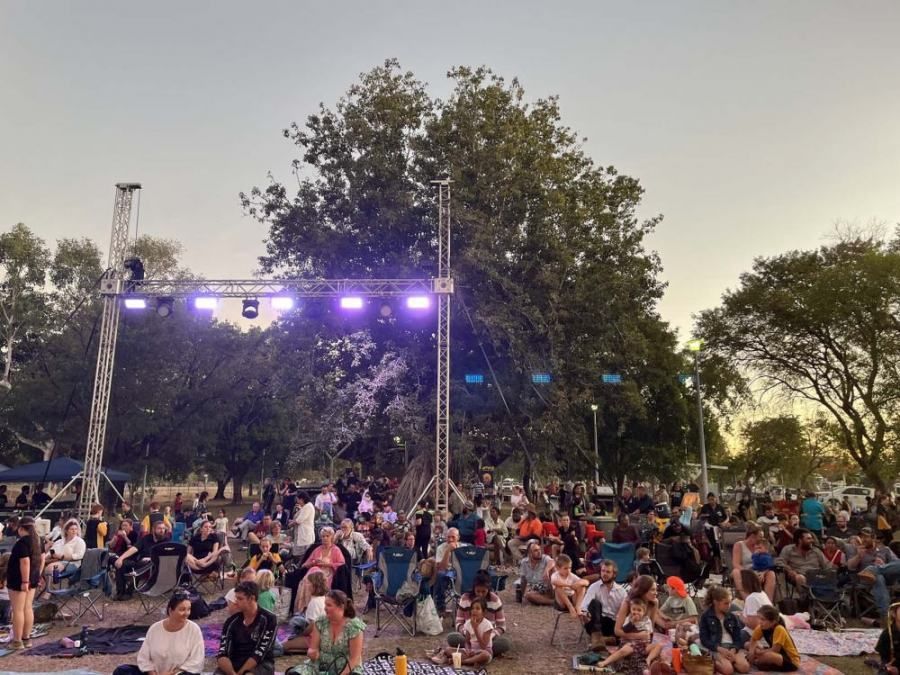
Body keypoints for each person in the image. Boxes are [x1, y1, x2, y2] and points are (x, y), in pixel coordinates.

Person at [113, 592, 205, 675]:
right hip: (155, 673)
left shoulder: (194, 630)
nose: (186, 613)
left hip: (179, 673)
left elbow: (196, 660)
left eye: (188, 609)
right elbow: (143, 657)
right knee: (122, 671)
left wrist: (174, 673)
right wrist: (151, 672)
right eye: (182, 609)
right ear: (170, 611)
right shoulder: (155, 629)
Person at [295, 590, 365, 675]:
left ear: (341, 607)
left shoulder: (354, 626)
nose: (325, 608)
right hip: (321, 665)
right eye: (325, 604)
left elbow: (355, 658)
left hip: (347, 667)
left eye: (329, 605)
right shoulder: (320, 621)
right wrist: (312, 652)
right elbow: (313, 649)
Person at [216, 581, 277, 675]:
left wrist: (241, 673)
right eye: (236, 598)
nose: (236, 602)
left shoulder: (269, 619)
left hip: (261, 663)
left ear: (252, 598)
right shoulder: (231, 622)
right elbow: (222, 653)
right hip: (235, 663)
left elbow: (260, 652)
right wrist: (232, 673)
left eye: (240, 599)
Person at [447, 570, 511, 657]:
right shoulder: (465, 598)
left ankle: (476, 652)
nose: (480, 594)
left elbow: (501, 626)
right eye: (478, 591)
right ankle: (478, 652)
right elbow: (459, 623)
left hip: (488, 638)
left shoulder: (495, 600)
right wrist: (468, 633)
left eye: (484, 592)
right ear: (474, 589)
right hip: (468, 637)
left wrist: (489, 636)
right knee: (452, 637)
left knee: (505, 643)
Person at [595, 598, 662, 670]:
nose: (636, 612)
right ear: (630, 609)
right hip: (630, 643)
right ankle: (605, 662)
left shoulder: (646, 620)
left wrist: (646, 637)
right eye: (634, 609)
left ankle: (648, 660)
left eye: (639, 610)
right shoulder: (629, 619)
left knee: (659, 646)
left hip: (642, 646)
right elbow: (624, 630)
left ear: (644, 612)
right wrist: (632, 623)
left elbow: (648, 634)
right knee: (623, 651)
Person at [7, 516, 41, 649]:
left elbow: (25, 561)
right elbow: (41, 559)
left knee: (18, 610)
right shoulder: (38, 541)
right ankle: (26, 638)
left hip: (20, 579)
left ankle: (17, 641)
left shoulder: (22, 543)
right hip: (32, 577)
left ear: (21, 529)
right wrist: (36, 575)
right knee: (27, 608)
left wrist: (24, 581)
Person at [699, 585, 750, 675]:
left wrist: (734, 649)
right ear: (716, 602)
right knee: (728, 670)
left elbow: (738, 637)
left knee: (745, 668)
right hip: (717, 647)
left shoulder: (732, 616)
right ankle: (715, 662)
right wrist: (719, 649)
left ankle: (730, 662)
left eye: (730, 603)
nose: (729, 606)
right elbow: (704, 639)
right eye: (726, 603)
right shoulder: (706, 616)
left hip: (731, 647)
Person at [114, 520, 170, 599]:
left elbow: (166, 555)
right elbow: (134, 548)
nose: (162, 531)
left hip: (155, 566)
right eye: (159, 528)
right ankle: (120, 592)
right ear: (153, 529)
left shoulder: (166, 540)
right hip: (140, 562)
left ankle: (129, 592)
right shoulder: (146, 538)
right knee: (121, 564)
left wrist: (152, 558)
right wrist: (121, 558)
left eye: (163, 529)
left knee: (141, 565)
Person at [580, 560, 628, 651]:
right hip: (596, 622)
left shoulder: (621, 591)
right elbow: (584, 606)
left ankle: (600, 641)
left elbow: (625, 613)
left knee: (624, 632)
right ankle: (598, 637)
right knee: (595, 603)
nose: (604, 574)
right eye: (603, 571)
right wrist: (585, 614)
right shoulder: (594, 587)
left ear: (614, 574)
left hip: (612, 624)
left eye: (608, 572)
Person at [435, 597, 493, 667]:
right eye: (472, 608)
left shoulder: (487, 625)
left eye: (477, 609)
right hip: (472, 651)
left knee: (485, 655)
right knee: (448, 650)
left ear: (484, 612)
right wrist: (468, 650)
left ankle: (463, 662)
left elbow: (484, 646)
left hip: (484, 651)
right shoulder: (468, 623)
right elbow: (467, 641)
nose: (474, 611)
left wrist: (476, 629)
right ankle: (472, 660)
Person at [747, 605, 800, 672]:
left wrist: (760, 652)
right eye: (759, 618)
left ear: (773, 622)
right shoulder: (761, 627)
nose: (760, 621)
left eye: (763, 619)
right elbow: (753, 639)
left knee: (767, 656)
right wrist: (751, 652)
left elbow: (775, 650)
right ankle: (758, 660)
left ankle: (758, 661)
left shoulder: (779, 629)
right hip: (776, 654)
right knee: (747, 644)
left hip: (790, 660)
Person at [732, 523, 776, 601]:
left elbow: (768, 562)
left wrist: (763, 572)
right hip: (744, 571)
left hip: (760, 571)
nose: (762, 539)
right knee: (735, 572)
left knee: (771, 574)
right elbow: (736, 564)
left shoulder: (761, 546)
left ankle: (767, 604)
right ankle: (748, 601)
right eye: (760, 537)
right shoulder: (739, 545)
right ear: (752, 536)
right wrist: (750, 574)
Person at [41, 518, 86, 592]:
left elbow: (79, 555)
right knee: (39, 566)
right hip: (55, 560)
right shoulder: (60, 541)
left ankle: (48, 591)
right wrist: (44, 558)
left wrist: (62, 557)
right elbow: (50, 552)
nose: (74, 531)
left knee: (50, 568)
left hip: (72, 563)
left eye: (76, 529)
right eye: (72, 529)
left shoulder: (80, 542)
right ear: (66, 530)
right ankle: (48, 588)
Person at [551, 553, 589, 618]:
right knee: (558, 588)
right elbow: (554, 582)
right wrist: (570, 585)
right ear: (557, 568)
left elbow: (586, 582)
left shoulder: (571, 575)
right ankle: (570, 608)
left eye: (570, 568)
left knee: (582, 587)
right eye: (565, 568)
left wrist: (578, 584)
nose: (568, 570)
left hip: (572, 599)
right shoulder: (555, 575)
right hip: (561, 602)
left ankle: (578, 606)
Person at [518, 539, 555, 606]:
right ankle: (552, 602)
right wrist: (523, 595)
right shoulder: (524, 562)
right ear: (529, 553)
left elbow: (552, 562)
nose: (539, 552)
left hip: (548, 587)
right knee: (528, 595)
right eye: (535, 550)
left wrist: (546, 570)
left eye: (539, 549)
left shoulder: (544, 558)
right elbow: (523, 580)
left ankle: (547, 600)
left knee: (553, 570)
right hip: (537, 588)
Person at [875, 602, 900, 675]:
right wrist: (888, 666)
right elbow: (884, 657)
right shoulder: (887, 634)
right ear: (894, 614)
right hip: (893, 664)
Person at [293, 491, 315, 558]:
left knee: (305, 555)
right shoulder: (305, 507)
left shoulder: (308, 506)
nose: (298, 502)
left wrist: (291, 524)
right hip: (303, 533)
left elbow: (298, 521)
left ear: (302, 499)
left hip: (305, 534)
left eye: (298, 500)